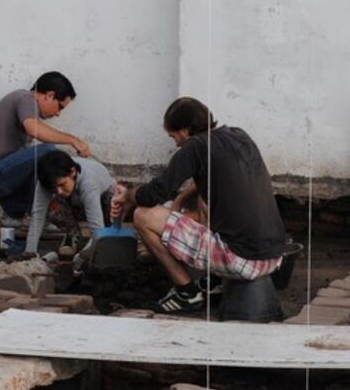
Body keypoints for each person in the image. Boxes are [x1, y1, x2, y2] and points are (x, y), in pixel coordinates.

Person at [110, 96, 286, 313]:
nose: (175, 143)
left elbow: (154, 193)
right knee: (204, 199)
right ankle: (214, 281)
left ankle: (187, 293)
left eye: (173, 136)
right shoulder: (238, 135)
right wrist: (179, 201)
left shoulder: (195, 146)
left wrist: (127, 196)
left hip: (242, 259)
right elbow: (206, 181)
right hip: (274, 255)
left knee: (142, 215)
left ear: (185, 130)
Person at [0, 71, 90, 227]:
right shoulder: (25, 98)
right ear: (49, 95)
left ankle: (14, 211)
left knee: (40, 163)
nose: (58, 114)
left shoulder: (26, 108)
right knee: (47, 152)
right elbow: (34, 130)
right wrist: (73, 140)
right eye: (59, 107)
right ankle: (28, 213)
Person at [26, 150, 117, 255]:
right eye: (54, 188)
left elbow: (97, 230)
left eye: (62, 184)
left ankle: (108, 236)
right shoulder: (46, 180)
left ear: (73, 172)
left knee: (111, 202)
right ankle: (73, 233)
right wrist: (30, 253)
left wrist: (81, 257)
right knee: (52, 207)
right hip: (76, 203)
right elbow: (37, 217)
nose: (59, 191)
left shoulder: (89, 183)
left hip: (102, 202)